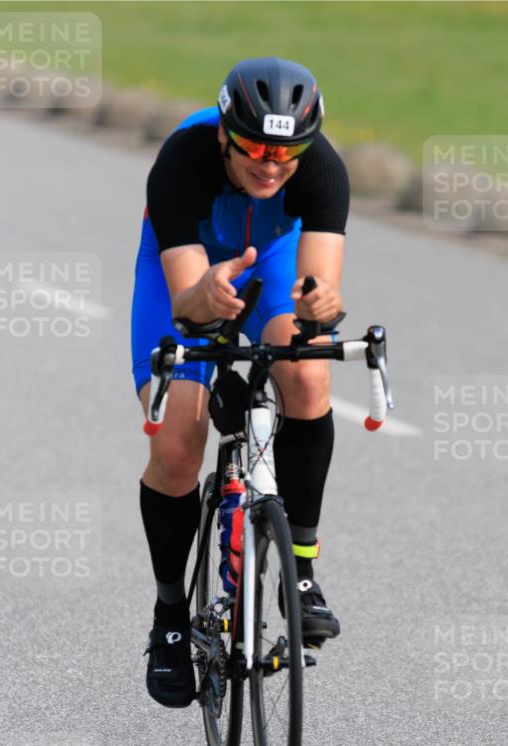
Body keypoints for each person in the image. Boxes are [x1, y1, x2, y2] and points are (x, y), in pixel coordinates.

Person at [131, 57, 350, 708]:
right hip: (190, 268)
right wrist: (205, 296)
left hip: (270, 261)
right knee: (177, 447)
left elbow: (317, 293)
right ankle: (170, 615)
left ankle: (300, 573)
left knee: (307, 376)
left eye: (287, 151)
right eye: (254, 146)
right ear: (226, 134)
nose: (271, 163)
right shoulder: (182, 160)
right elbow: (186, 306)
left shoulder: (322, 170)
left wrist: (319, 310)